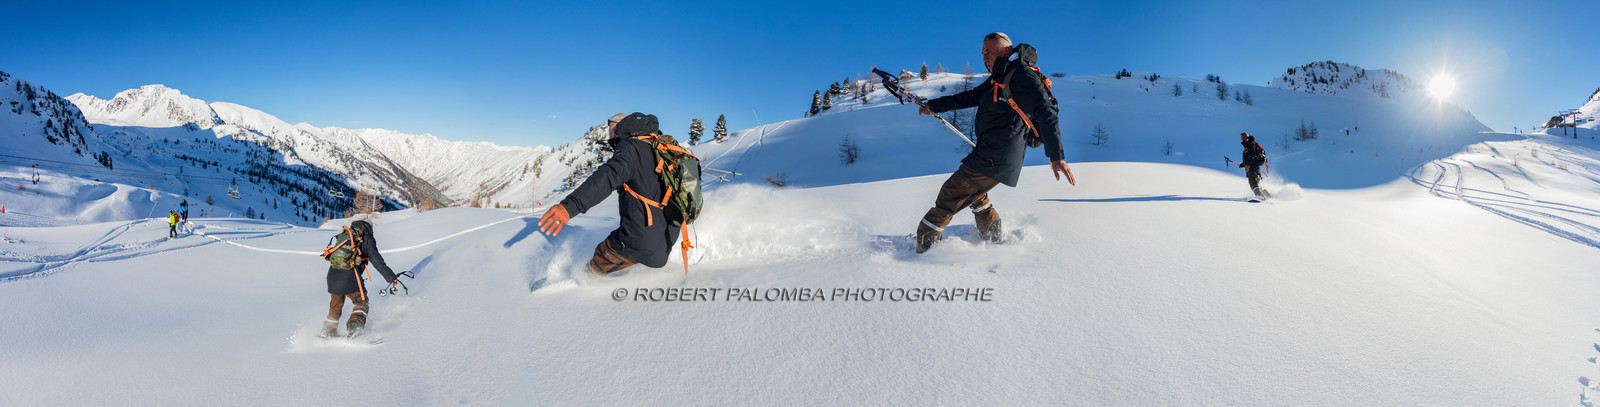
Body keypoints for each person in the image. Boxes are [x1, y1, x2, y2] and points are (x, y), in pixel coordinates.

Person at [913, 32, 1075, 253]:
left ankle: (926, 251)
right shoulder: (999, 77)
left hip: (997, 155)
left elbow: (1046, 114)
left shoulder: (1021, 75)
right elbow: (970, 97)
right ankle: (994, 237)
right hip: (991, 153)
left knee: (950, 193)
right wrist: (934, 105)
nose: (984, 57)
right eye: (982, 53)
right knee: (975, 195)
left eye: (989, 51)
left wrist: (1056, 156)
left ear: (1006, 51)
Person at [537, 113, 682, 276]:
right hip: (669, 236)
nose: (610, 135)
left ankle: (579, 283)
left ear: (621, 128)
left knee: (602, 255)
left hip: (642, 242)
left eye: (612, 130)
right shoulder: (659, 148)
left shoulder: (631, 149)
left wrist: (570, 207)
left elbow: (607, 177)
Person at [322, 220, 399, 338]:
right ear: (367, 227)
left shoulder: (345, 236)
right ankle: (355, 328)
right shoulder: (367, 238)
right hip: (350, 277)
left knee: (335, 305)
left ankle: (327, 331)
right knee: (362, 302)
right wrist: (390, 277)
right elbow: (376, 260)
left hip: (332, 276)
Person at [1237, 132, 1269, 198]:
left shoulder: (1250, 144)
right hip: (1255, 169)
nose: (1242, 139)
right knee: (1254, 184)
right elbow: (1250, 157)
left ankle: (1261, 197)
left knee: (1253, 184)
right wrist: (1243, 165)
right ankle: (1267, 195)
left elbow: (1252, 155)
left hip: (1253, 169)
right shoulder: (1249, 145)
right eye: (1241, 138)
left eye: (1244, 137)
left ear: (1247, 137)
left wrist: (1248, 165)